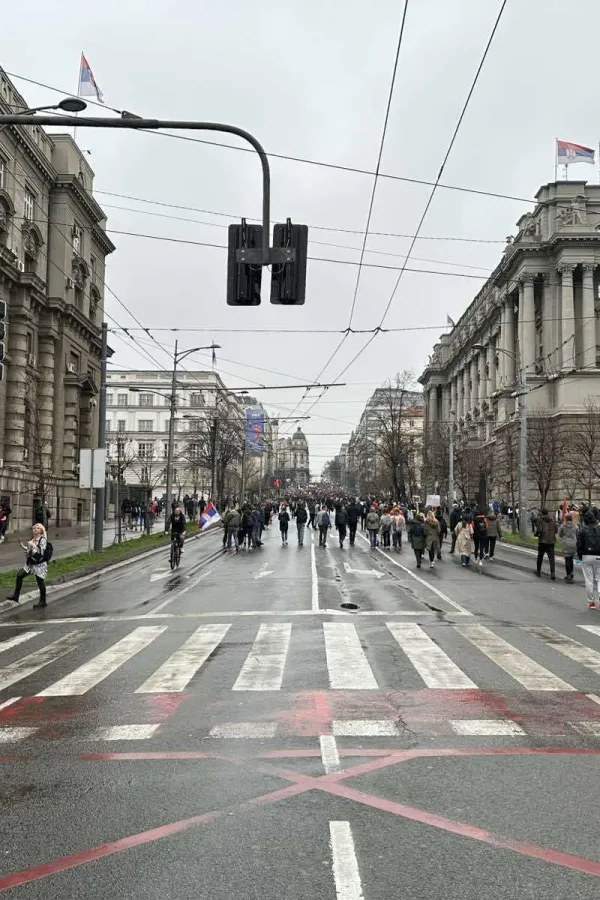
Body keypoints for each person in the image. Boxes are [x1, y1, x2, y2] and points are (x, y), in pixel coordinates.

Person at [7, 524, 49, 608]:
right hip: (30, 563)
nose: (35, 530)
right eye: (34, 528)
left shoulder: (42, 539)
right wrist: (23, 546)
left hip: (39, 564)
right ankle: (16, 596)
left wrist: (32, 545)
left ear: (41, 530)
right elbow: (30, 551)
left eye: (37, 528)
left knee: (40, 581)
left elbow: (41, 552)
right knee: (19, 575)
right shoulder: (32, 539)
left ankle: (43, 601)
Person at [577, 511, 600, 608]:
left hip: (586, 556)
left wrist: (580, 556)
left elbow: (579, 545)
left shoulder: (582, 530)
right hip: (599, 556)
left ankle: (591, 602)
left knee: (589, 580)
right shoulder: (598, 530)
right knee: (599, 579)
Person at [535, 507, 557, 580]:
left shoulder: (540, 520)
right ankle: (553, 573)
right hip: (551, 541)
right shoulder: (553, 521)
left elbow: (539, 530)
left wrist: (536, 534)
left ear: (542, 513)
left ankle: (538, 571)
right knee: (551, 558)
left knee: (540, 556)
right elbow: (556, 530)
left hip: (542, 541)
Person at [559, 513, 578, 583]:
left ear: (566, 519)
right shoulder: (575, 526)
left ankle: (568, 574)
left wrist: (565, 537)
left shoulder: (563, 526)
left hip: (566, 543)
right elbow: (577, 534)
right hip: (573, 543)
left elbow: (560, 534)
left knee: (567, 559)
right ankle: (571, 572)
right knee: (571, 559)